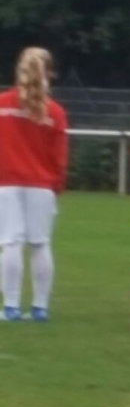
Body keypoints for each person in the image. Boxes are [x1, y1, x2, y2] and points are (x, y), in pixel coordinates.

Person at [0, 47, 68, 322]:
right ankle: (40, 308)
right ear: (49, 73)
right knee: (40, 244)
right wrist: (56, 186)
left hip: (6, 183)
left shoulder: (2, 105)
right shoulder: (55, 112)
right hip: (42, 186)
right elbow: (59, 158)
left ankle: (11, 307)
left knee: (11, 243)